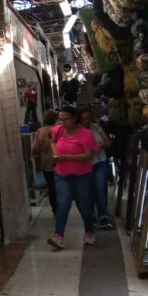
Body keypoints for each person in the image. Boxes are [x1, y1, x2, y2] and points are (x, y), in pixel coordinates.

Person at [47, 105, 101, 249]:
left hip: (82, 175)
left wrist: (67, 157)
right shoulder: (57, 131)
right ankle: (58, 236)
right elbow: (52, 141)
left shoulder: (85, 134)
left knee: (84, 205)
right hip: (62, 174)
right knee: (63, 204)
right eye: (60, 120)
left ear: (75, 118)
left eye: (66, 119)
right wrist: (56, 155)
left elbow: (89, 155)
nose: (63, 123)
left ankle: (89, 232)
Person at [80, 106, 113, 230]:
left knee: (100, 188)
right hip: (85, 164)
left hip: (99, 161)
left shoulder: (96, 127)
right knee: (89, 191)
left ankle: (103, 215)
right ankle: (91, 215)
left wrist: (103, 144)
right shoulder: (77, 132)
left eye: (88, 118)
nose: (87, 121)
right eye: (84, 119)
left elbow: (109, 142)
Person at [31, 109, 58, 216]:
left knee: (52, 188)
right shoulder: (60, 130)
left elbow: (35, 149)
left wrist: (37, 161)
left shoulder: (41, 132)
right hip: (61, 163)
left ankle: (55, 210)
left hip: (47, 165)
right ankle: (63, 206)